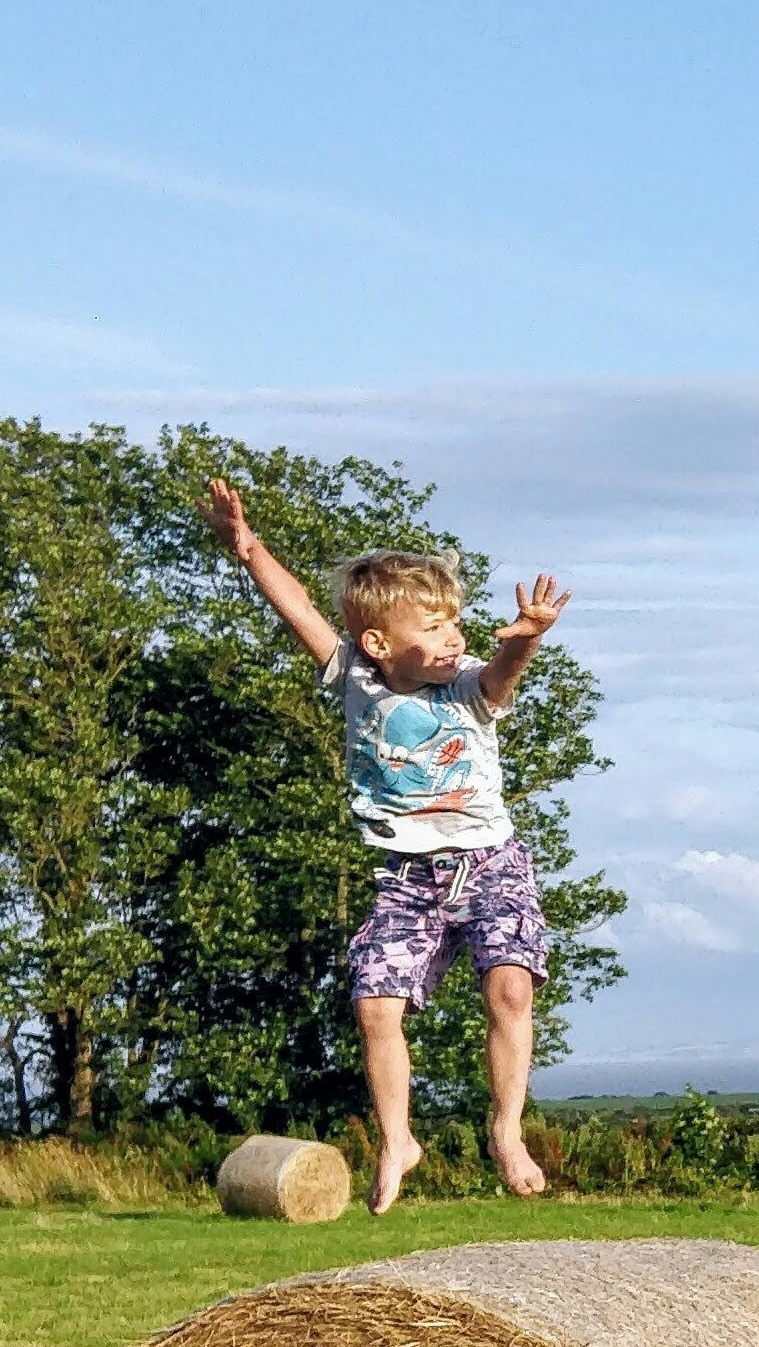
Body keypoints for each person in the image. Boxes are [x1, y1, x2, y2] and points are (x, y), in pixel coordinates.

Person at [201, 478, 570, 1212]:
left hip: (490, 862)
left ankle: (505, 1130)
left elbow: (502, 673)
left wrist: (525, 640)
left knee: (511, 987)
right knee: (376, 1007)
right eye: (433, 629)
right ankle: (398, 1138)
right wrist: (247, 547)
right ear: (379, 643)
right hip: (408, 877)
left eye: (456, 623)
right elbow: (300, 608)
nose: (454, 638)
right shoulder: (354, 678)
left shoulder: (468, 686)